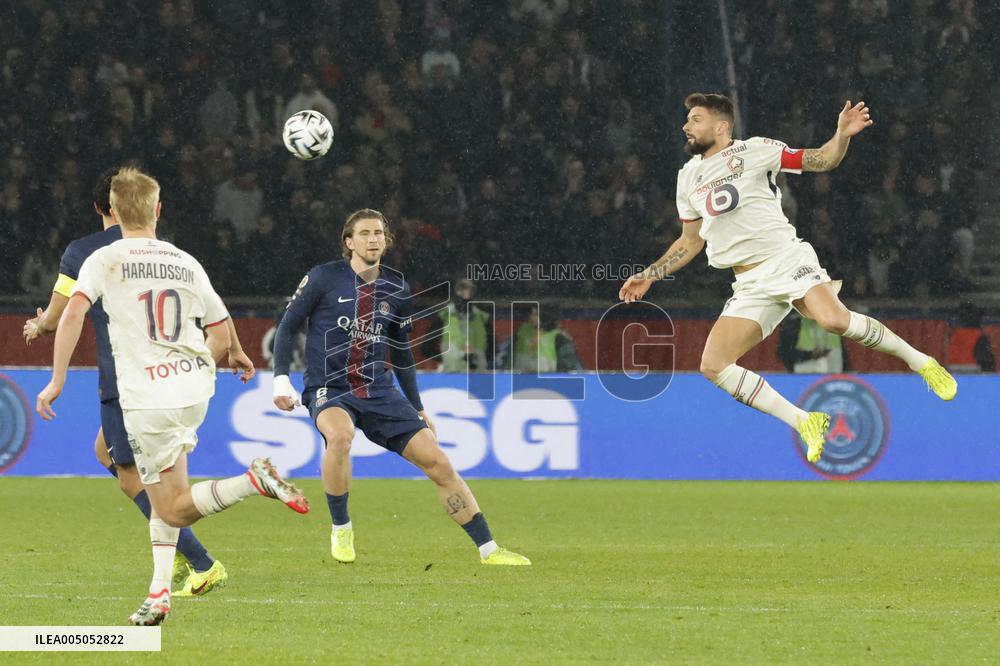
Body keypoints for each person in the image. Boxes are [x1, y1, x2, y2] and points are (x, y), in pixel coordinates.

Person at [35, 167, 310, 626]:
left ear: (115, 211)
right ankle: (160, 593)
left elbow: (70, 317)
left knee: (171, 506)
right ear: (158, 209)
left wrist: (57, 380)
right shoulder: (184, 260)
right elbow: (221, 329)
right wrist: (240, 354)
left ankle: (253, 482)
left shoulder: (104, 258)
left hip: (146, 396)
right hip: (193, 388)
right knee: (163, 484)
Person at [619, 93, 957, 464]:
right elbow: (690, 240)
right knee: (712, 365)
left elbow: (822, 159)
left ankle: (921, 361)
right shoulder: (688, 178)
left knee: (832, 320)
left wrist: (841, 134)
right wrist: (651, 274)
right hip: (748, 282)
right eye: (687, 120)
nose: (686, 126)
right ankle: (805, 420)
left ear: (721, 127)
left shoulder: (757, 150)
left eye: (695, 119)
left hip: (785, 258)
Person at [23, 168, 246, 598]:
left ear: (99, 207)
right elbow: (212, 312)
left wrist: (40, 330)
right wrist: (231, 349)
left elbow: (62, 312)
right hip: (172, 373)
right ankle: (185, 562)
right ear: (153, 209)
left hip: (126, 377)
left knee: (132, 478)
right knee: (106, 450)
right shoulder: (168, 251)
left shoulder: (85, 252)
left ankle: (201, 563)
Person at [271, 208, 529, 566]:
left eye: (378, 233)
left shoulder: (396, 286)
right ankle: (341, 526)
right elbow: (288, 327)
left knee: (438, 462)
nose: (373, 239)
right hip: (330, 386)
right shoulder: (323, 278)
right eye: (364, 233)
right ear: (349, 242)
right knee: (341, 435)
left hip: (379, 390)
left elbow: (402, 350)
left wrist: (418, 406)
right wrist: (280, 379)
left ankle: (489, 549)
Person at [421, 278, 494, 372]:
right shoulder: (444, 316)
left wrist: (477, 358)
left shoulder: (482, 318)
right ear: (455, 293)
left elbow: (493, 348)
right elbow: (426, 347)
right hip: (453, 376)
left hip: (476, 376)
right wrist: (446, 359)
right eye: (461, 291)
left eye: (468, 292)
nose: (465, 295)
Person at [499, 305, 583, 373]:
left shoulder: (558, 338)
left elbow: (570, 365)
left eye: (536, 314)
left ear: (544, 316)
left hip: (548, 383)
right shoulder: (521, 333)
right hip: (520, 382)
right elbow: (509, 358)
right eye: (531, 313)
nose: (531, 317)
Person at [776, 311, 848, 374]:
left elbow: (843, 354)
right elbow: (783, 352)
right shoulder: (794, 322)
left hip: (832, 379)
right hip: (802, 378)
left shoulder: (835, 322)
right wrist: (808, 355)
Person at [945, 302, 996, 373]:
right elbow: (987, 365)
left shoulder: (952, 336)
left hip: (952, 377)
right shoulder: (979, 337)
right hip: (974, 377)